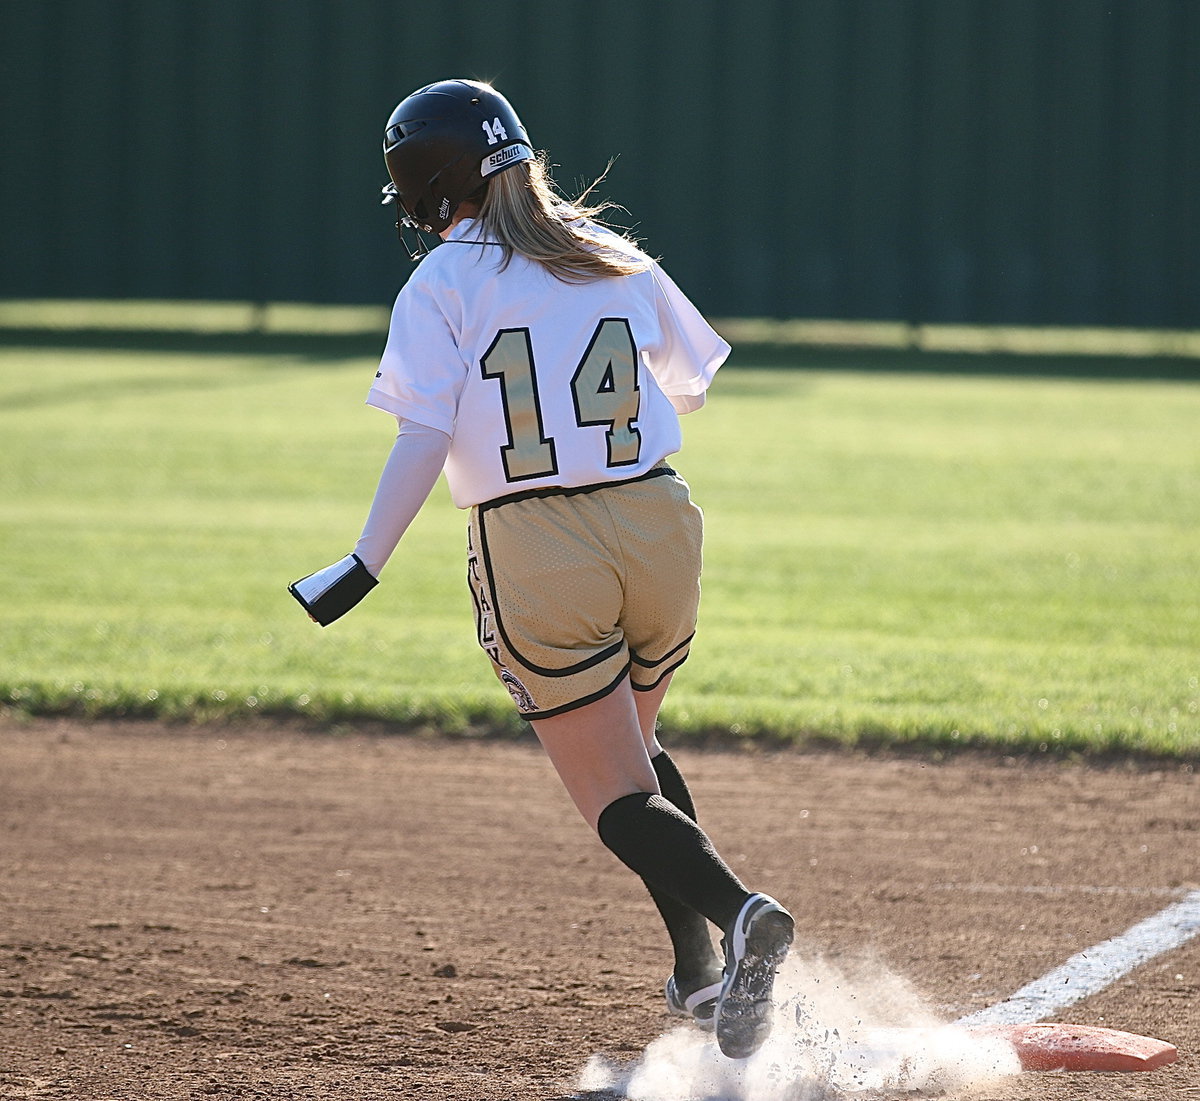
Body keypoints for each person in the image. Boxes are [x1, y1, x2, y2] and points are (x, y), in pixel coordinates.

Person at [289, 78, 793, 1060]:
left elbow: (422, 438)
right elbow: (688, 388)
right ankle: (701, 971)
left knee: (613, 796)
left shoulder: (443, 282)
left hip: (536, 543)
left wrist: (363, 561)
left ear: (429, 188)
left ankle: (745, 920)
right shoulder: (615, 257)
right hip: (659, 522)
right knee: (637, 756)